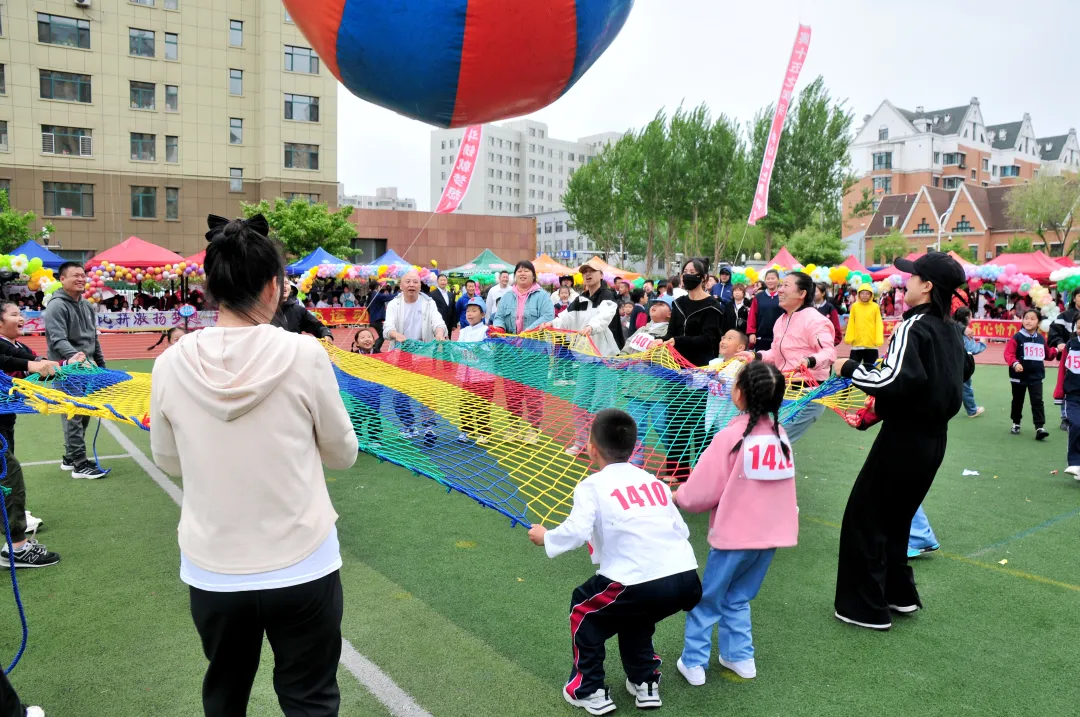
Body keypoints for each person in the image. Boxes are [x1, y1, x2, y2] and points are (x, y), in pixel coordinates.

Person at [150, 213, 358, 715]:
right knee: (310, 697)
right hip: (303, 559)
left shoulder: (170, 363)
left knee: (225, 693)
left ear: (212, 287)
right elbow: (342, 454)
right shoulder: (305, 355)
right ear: (274, 286)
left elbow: (168, 461)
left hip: (214, 567)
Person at [526, 409, 701, 715]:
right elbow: (682, 530)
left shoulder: (592, 486)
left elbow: (577, 531)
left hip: (638, 578)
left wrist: (546, 537)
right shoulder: (652, 481)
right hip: (686, 579)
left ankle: (589, 689)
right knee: (636, 613)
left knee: (584, 609)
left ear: (592, 447)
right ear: (633, 447)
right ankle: (644, 681)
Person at [832, 252, 973, 630]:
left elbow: (891, 380)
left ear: (927, 286)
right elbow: (959, 370)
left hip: (904, 439)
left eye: (912, 277)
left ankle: (865, 608)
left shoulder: (916, 326)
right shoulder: (948, 327)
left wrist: (846, 368)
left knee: (865, 518)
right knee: (897, 520)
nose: (904, 282)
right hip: (932, 441)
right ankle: (897, 595)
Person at [674, 361, 796, 686]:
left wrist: (678, 497)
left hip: (734, 539)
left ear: (739, 394)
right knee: (738, 596)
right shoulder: (781, 436)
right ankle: (740, 656)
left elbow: (700, 492)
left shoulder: (731, 436)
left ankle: (694, 662)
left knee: (708, 598)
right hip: (769, 538)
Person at [654, 259, 731, 482]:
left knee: (700, 424)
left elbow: (709, 341)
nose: (687, 276)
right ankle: (677, 471)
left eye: (693, 272)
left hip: (702, 374)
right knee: (675, 420)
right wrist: (659, 341)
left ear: (704, 278)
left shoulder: (713, 307)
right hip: (676, 372)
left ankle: (702, 473)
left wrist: (676, 341)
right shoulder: (678, 303)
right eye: (685, 272)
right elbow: (670, 334)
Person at [738, 271, 836, 445]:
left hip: (807, 394)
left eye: (786, 286)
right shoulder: (781, 321)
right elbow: (775, 354)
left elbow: (829, 353)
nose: (780, 290)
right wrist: (754, 355)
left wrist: (809, 361)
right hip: (783, 391)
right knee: (759, 438)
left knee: (773, 442)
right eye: (781, 285)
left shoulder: (815, 320)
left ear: (802, 294)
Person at [546, 264, 622, 454]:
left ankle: (600, 446)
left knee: (601, 405)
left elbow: (605, 316)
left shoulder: (607, 295)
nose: (587, 275)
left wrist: (591, 327)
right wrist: (551, 324)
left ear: (601, 275)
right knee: (580, 402)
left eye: (591, 272)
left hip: (607, 358)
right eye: (584, 273)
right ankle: (582, 442)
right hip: (587, 358)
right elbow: (565, 318)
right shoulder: (579, 299)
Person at [44, 261, 109, 480]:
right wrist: (77, 358)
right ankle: (80, 464)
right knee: (73, 415)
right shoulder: (56, 306)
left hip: (88, 369)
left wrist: (101, 365)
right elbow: (58, 339)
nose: (81, 279)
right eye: (75, 275)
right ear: (62, 279)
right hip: (67, 370)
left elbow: (93, 338)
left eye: (83, 275)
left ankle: (70, 457)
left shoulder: (87, 305)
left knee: (84, 414)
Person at [494, 261, 556, 444]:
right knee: (512, 392)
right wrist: (498, 327)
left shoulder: (543, 296)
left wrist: (526, 333)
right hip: (511, 352)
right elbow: (498, 317)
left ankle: (533, 429)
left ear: (533, 275)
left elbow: (547, 317)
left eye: (526, 271)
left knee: (534, 392)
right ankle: (514, 427)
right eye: (519, 270)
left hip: (535, 352)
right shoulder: (507, 296)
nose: (522, 273)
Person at [384, 271, 448, 439]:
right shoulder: (394, 304)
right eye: (408, 282)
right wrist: (397, 336)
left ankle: (429, 427)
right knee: (400, 394)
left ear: (420, 285)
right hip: (401, 353)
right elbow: (387, 327)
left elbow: (438, 321)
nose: (411, 285)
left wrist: (440, 332)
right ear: (401, 285)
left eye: (415, 282)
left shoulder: (428, 302)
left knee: (427, 392)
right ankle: (409, 425)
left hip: (424, 353)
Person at [621, 299, 673, 467]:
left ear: (670, 313)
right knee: (636, 427)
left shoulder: (670, 332)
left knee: (662, 427)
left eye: (661, 304)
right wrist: (619, 359)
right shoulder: (642, 329)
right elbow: (626, 349)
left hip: (658, 389)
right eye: (654, 304)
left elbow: (670, 357)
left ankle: (676, 459)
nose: (655, 306)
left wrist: (649, 358)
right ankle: (635, 462)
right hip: (635, 385)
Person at [1005, 308, 1055, 440]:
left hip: (1036, 376)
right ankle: (1016, 423)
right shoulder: (1017, 337)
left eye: (1032, 319)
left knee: (1037, 401)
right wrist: (1015, 364)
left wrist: (1057, 350)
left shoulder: (1041, 339)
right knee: (1018, 400)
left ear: (1038, 322)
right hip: (1018, 377)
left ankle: (1039, 427)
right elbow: (1008, 354)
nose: (1028, 321)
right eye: (1026, 318)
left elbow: (1048, 355)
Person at [456, 297, 493, 445]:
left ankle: (484, 433)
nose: (470, 314)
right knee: (465, 403)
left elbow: (490, 351)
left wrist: (476, 349)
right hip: (466, 375)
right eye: (468, 311)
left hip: (484, 375)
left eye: (474, 310)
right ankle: (467, 430)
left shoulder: (487, 331)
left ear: (483, 314)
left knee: (482, 405)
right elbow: (458, 348)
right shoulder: (463, 331)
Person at [703, 330, 749, 435]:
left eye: (729, 338)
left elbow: (736, 389)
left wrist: (717, 378)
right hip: (714, 414)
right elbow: (702, 380)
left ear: (740, 348)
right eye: (723, 338)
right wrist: (690, 375)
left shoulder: (742, 366)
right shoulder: (714, 363)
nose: (723, 341)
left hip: (733, 416)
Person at [1049, 288, 1080, 430]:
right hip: (1071, 359)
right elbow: (1054, 331)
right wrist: (1059, 342)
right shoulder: (1064, 316)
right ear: (1074, 298)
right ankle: (1065, 417)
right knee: (1066, 384)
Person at [953, 307, 986, 417]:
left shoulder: (951, 326)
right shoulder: (966, 332)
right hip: (962, 364)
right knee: (966, 387)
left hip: (949, 361)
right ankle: (972, 410)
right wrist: (982, 343)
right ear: (967, 317)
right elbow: (973, 349)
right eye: (971, 316)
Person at [845, 283, 884, 367]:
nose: (864, 296)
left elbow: (878, 323)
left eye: (867, 293)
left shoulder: (875, 307)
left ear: (871, 295)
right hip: (857, 343)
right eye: (862, 293)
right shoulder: (855, 306)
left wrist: (879, 339)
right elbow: (851, 322)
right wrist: (849, 338)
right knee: (852, 368)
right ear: (859, 294)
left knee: (871, 369)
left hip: (871, 343)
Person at [747, 269, 782, 351]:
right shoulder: (758, 297)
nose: (770, 281)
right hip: (761, 337)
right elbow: (752, 316)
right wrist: (751, 333)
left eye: (773, 278)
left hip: (780, 337)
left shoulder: (783, 295)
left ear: (778, 280)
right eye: (768, 278)